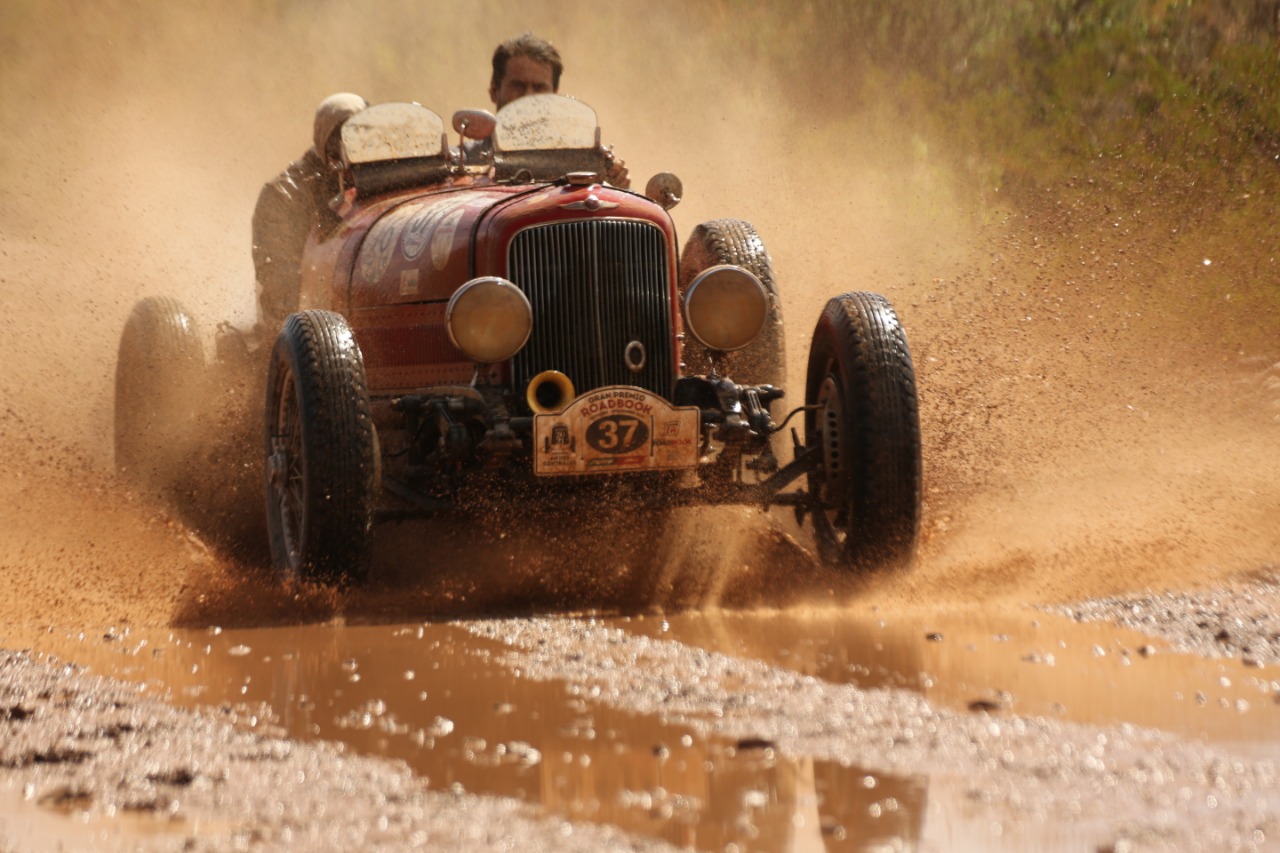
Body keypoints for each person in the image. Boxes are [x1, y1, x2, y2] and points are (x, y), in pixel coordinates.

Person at [251, 92, 368, 335]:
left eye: (367, 135)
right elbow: (279, 279)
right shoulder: (285, 195)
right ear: (328, 143)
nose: (360, 146)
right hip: (307, 326)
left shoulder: (381, 178)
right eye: (348, 137)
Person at [482, 33, 629, 188]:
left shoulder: (582, 159)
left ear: (555, 96)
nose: (529, 97)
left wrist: (617, 183)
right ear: (494, 90)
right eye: (518, 86)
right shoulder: (464, 163)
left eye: (539, 88)